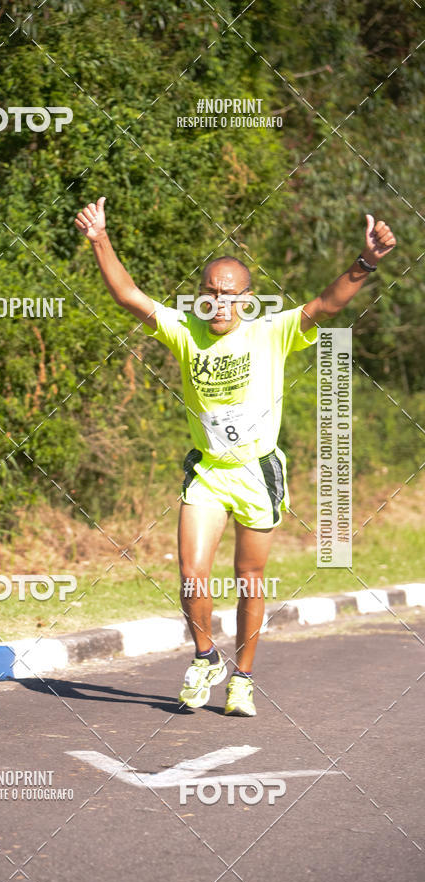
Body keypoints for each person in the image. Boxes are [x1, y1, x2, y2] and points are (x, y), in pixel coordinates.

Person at [75, 197, 396, 716]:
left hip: (256, 472)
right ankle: (206, 657)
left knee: (249, 578)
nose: (219, 303)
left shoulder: (272, 332)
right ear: (200, 296)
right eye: (210, 293)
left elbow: (325, 304)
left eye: (229, 295)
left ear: (248, 300)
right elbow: (128, 295)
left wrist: (367, 262)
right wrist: (100, 239)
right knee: (192, 572)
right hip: (208, 471)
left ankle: (243, 677)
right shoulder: (185, 330)